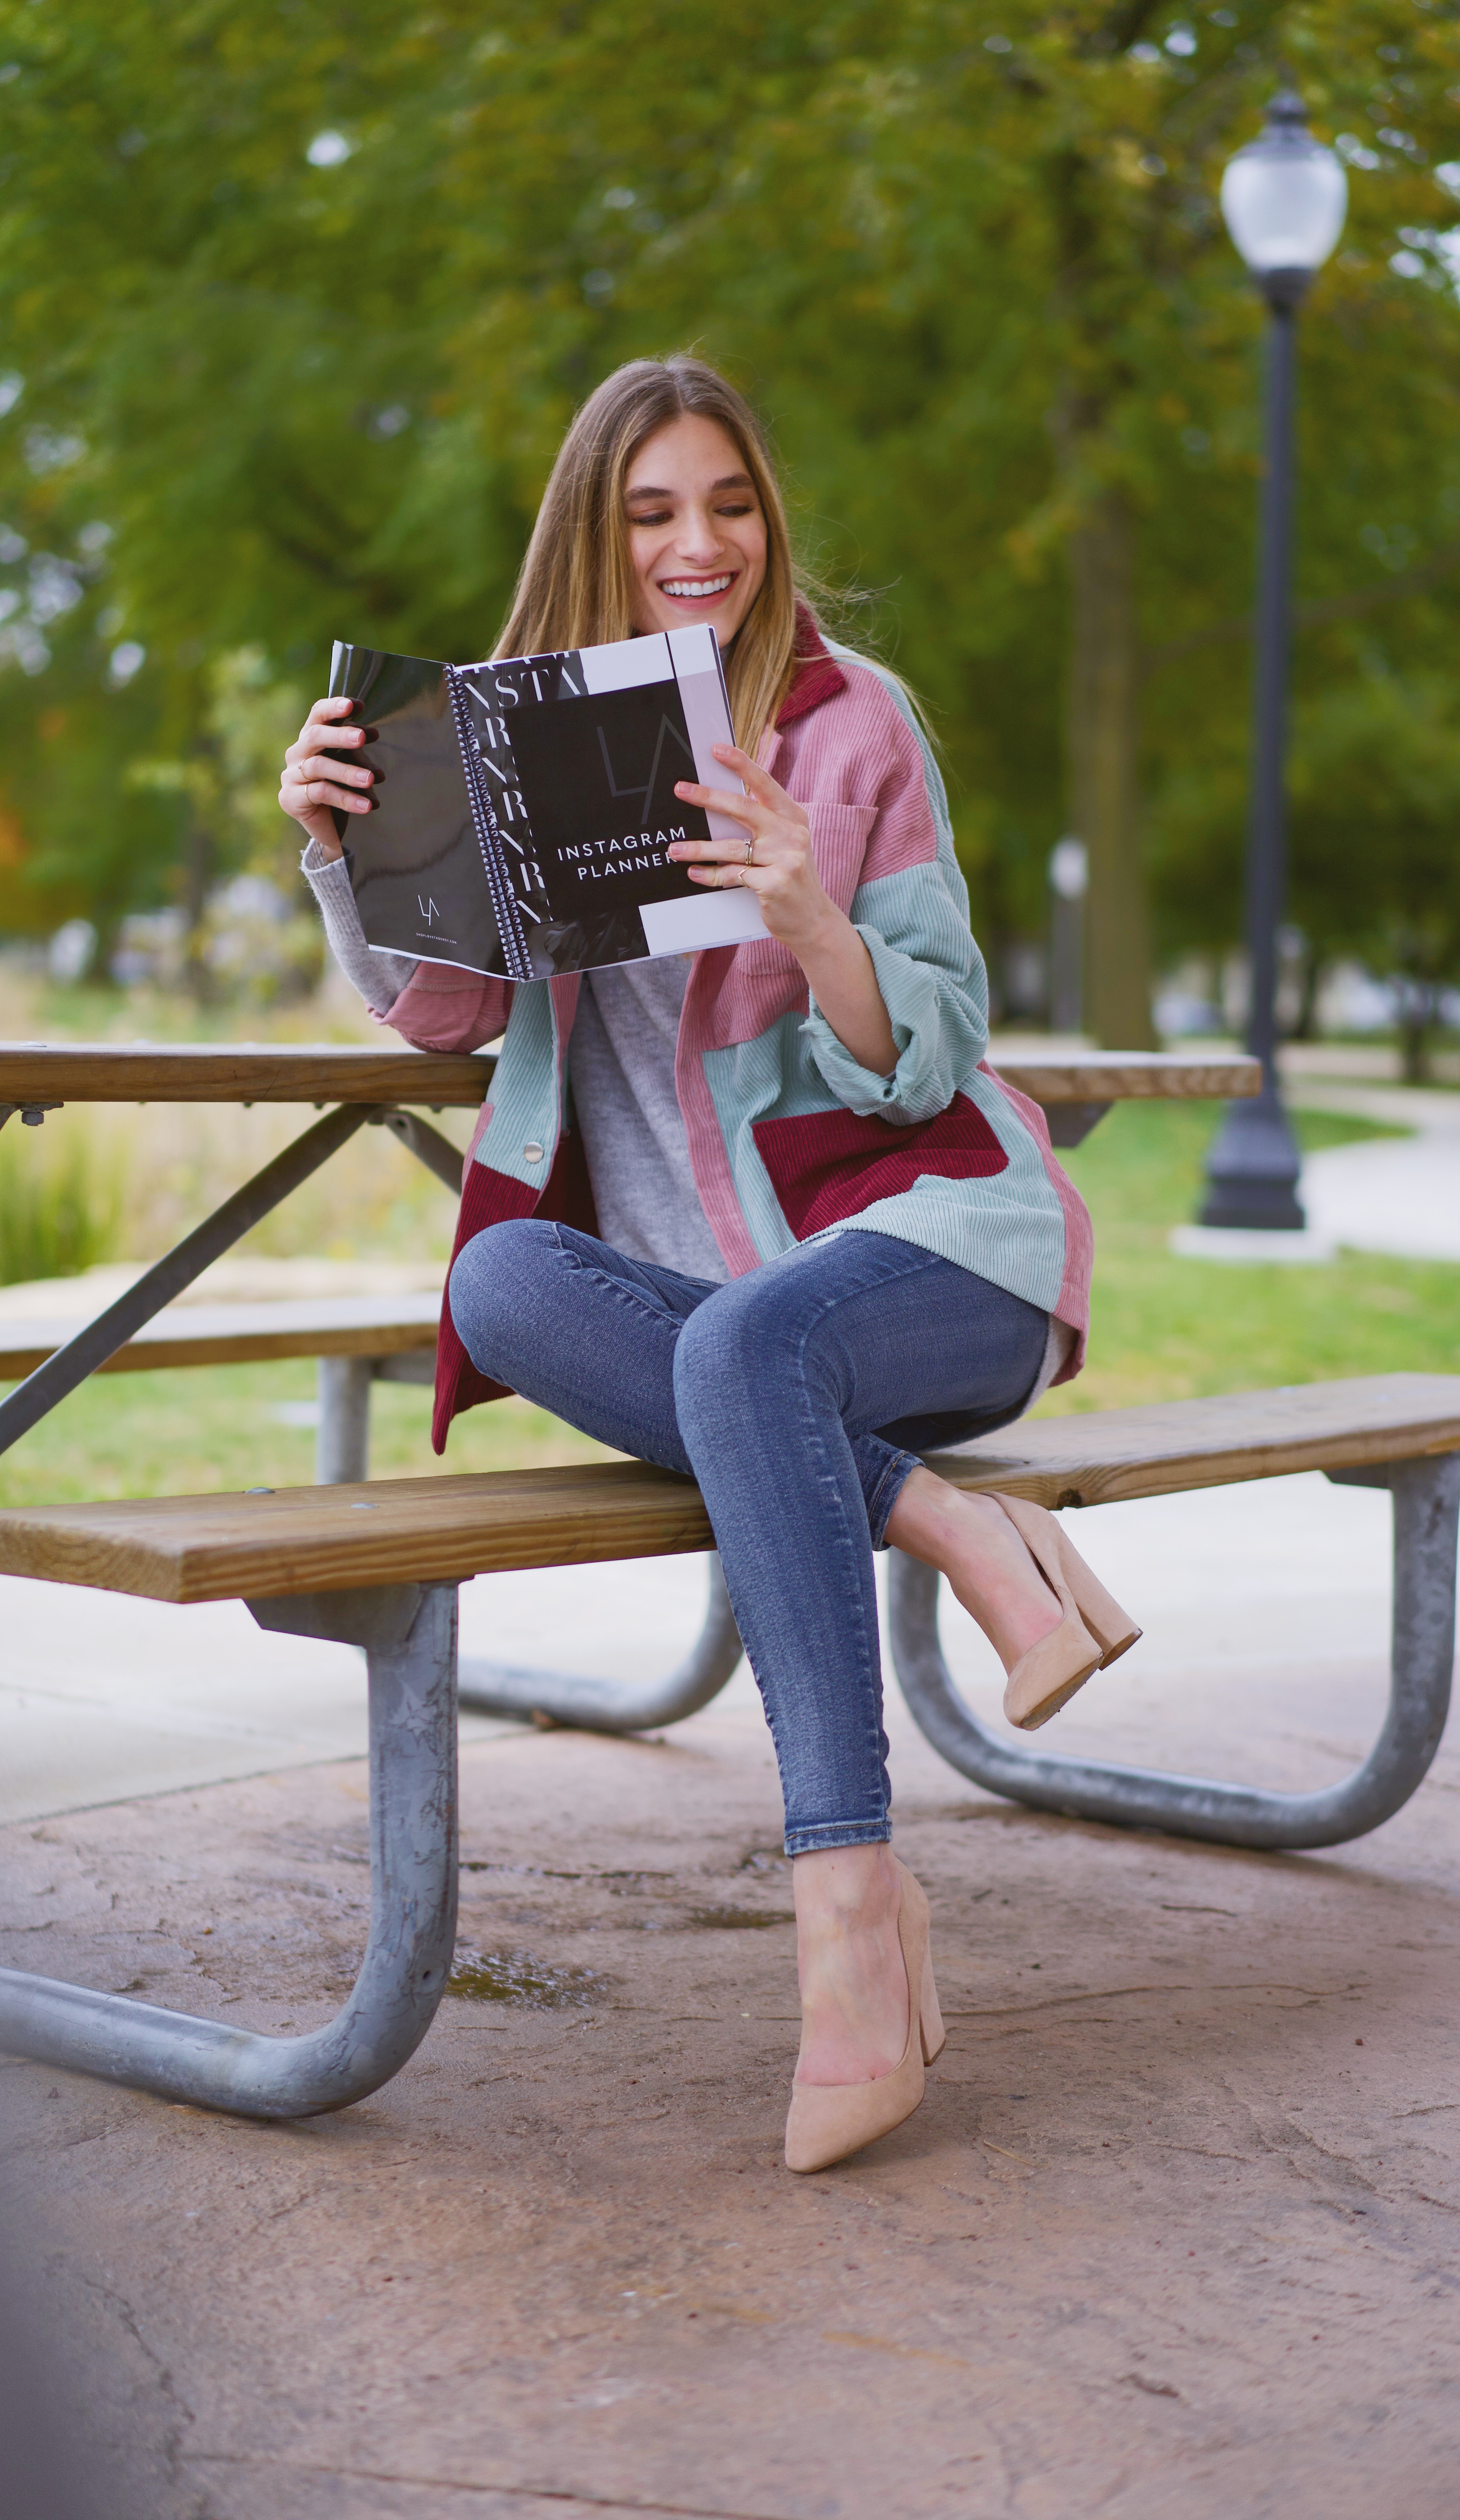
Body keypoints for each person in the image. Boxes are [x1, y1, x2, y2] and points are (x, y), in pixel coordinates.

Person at [278, 354, 1138, 2174]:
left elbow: (924, 1056)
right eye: (655, 510)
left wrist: (807, 908)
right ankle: (953, 1524)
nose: (700, 543)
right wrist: (343, 852)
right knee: (502, 1284)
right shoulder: (506, 745)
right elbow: (442, 1017)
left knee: (752, 1349)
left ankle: (843, 1919)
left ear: (768, 518)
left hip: (928, 1247)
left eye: (730, 504)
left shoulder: (849, 718)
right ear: (598, 530)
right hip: (717, 1319)